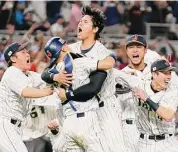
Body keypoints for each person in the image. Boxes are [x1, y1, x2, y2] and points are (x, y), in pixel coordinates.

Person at [41, 37, 116, 152]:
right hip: (86, 121)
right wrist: (111, 54)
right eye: (65, 44)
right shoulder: (80, 61)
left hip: (68, 125)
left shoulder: (53, 72)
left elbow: (44, 75)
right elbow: (108, 64)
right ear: (63, 48)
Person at [69, 6, 126, 151]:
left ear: (95, 29)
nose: (80, 24)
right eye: (80, 21)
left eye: (85, 22)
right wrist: (55, 75)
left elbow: (94, 87)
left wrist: (68, 95)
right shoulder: (71, 49)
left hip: (105, 109)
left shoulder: (102, 52)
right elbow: (47, 72)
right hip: (81, 109)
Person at [0, 42, 54, 152]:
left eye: (27, 51)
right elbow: (25, 92)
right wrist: (46, 92)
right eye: (23, 52)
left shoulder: (28, 75)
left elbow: (46, 78)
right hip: (5, 125)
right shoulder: (11, 72)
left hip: (15, 127)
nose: (27, 54)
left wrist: (57, 75)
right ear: (14, 59)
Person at [114, 59, 178, 152]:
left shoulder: (173, 91)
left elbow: (167, 115)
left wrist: (146, 98)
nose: (169, 76)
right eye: (165, 73)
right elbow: (115, 74)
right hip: (145, 143)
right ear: (154, 74)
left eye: (170, 73)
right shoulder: (139, 84)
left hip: (168, 142)